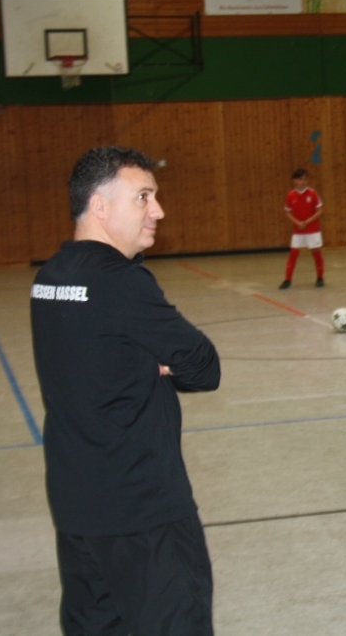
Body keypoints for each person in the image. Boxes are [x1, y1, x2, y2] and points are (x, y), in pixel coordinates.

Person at [30, 146, 220, 636]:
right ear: (99, 206)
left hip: (77, 507)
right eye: (143, 197)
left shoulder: (50, 278)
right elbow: (204, 367)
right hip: (143, 511)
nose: (158, 210)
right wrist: (163, 366)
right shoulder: (121, 281)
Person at [279, 168, 324, 289]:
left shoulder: (313, 193)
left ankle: (320, 278)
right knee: (293, 253)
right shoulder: (291, 195)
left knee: (316, 252)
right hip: (298, 230)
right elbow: (287, 212)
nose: (303, 182)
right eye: (300, 179)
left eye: (305, 179)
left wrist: (307, 222)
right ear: (294, 181)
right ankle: (287, 280)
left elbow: (320, 211)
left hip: (312, 229)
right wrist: (297, 222)